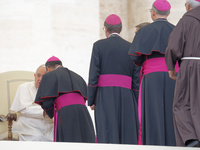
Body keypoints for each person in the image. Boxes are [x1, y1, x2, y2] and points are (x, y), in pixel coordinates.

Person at [128, 0, 177, 146]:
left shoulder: (143, 31)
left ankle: (154, 145)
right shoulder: (176, 29)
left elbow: (134, 57)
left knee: (152, 113)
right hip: (173, 76)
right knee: (171, 111)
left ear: (153, 12)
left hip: (151, 77)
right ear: (168, 13)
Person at [88, 14, 140, 144]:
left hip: (104, 95)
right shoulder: (131, 47)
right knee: (126, 131)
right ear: (120, 29)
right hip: (127, 96)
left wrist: (92, 100)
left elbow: (93, 74)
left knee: (107, 130)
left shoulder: (98, 46)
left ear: (105, 29)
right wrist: (135, 99)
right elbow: (136, 77)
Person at [35, 56, 95, 143]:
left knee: (69, 142)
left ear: (48, 68)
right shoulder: (78, 76)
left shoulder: (49, 75)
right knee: (84, 139)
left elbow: (46, 103)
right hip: (83, 112)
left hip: (66, 113)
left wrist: (51, 109)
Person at [165, 0, 200, 147]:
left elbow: (173, 45)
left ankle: (191, 137)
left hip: (190, 67)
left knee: (182, 103)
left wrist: (171, 66)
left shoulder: (186, 20)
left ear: (187, 6)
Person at [10, 65, 54, 141]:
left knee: (59, 137)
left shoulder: (51, 90)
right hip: (29, 126)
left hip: (48, 126)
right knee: (38, 138)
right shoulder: (24, 87)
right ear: (34, 76)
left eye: (44, 77)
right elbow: (24, 109)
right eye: (38, 75)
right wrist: (45, 111)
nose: (40, 79)